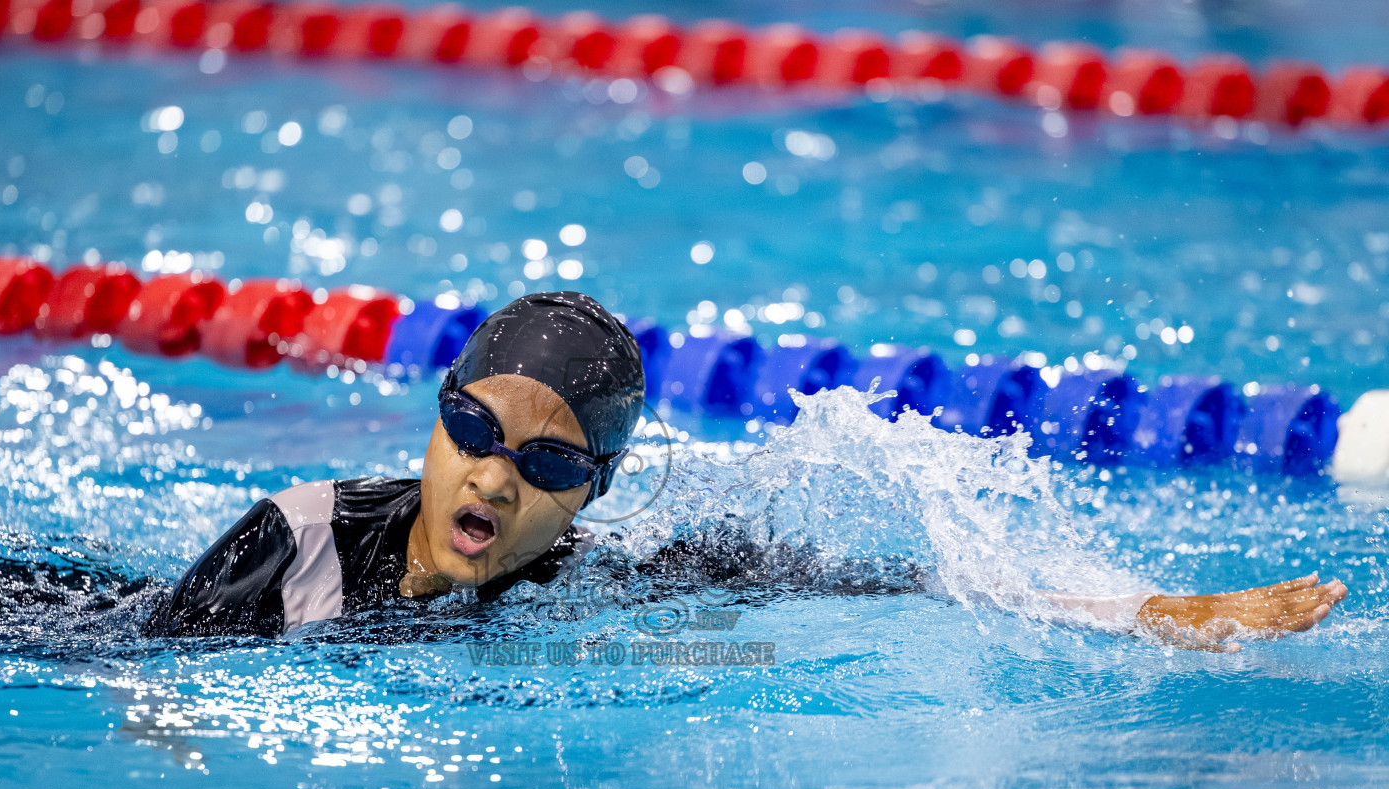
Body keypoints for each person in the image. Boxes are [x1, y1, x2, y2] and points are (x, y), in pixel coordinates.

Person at [142, 290, 1347, 650]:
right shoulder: (292, 541)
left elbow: (899, 590)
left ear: (592, 491)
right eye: (476, 429)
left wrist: (1146, 610)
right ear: (438, 415)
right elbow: (144, 673)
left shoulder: (604, 584)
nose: (497, 479)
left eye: (551, 456)